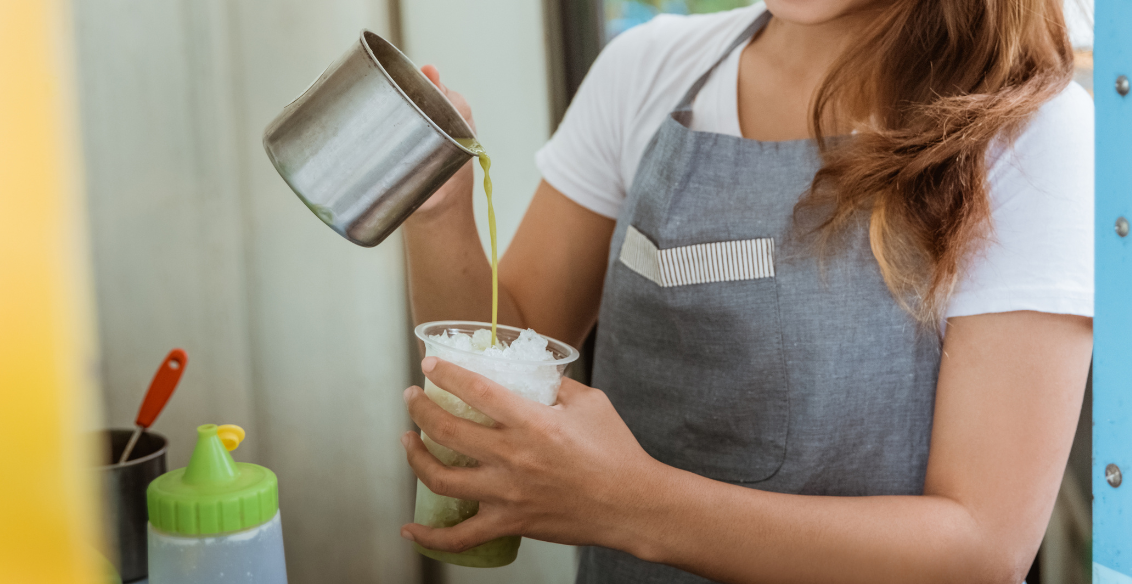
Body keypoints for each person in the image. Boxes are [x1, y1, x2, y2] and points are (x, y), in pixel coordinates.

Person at [399, 0, 1095, 581]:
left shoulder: (1032, 134)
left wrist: (632, 505)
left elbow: (980, 550)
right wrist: (438, 212)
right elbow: (502, 346)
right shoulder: (644, 72)